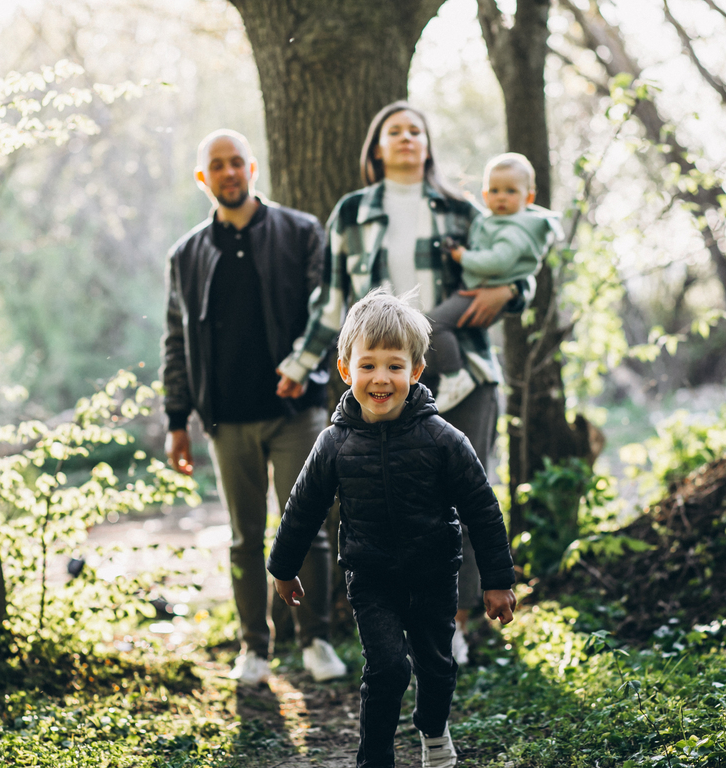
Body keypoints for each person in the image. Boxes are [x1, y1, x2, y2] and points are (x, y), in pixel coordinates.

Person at [276, 101, 519, 664]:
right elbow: (331, 303)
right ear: (377, 148)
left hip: (466, 372)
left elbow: (513, 262)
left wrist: (513, 293)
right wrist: (298, 364)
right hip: (381, 373)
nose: (407, 138)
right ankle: (386, 621)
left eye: (416, 130)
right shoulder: (353, 212)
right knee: (380, 493)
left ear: (428, 145)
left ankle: (451, 623)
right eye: (394, 131)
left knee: (460, 496)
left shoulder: (462, 209)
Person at [267, 289, 517, 768]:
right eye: (368, 366)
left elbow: (482, 510)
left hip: (433, 574)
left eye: (394, 366)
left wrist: (498, 580)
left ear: (416, 371)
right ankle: (374, 757)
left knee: (437, 668)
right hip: (371, 576)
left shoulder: (444, 439)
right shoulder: (333, 443)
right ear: (346, 370)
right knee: (386, 668)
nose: (381, 378)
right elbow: (303, 507)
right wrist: (283, 566)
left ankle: (432, 728)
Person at [160, 129, 346, 685]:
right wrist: (177, 420)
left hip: (298, 412)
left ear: (253, 168)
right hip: (225, 419)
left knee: (308, 528)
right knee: (244, 537)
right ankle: (254, 650)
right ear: (203, 178)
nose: (228, 172)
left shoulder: (300, 232)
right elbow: (175, 338)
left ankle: (314, 641)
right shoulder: (186, 254)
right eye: (216, 165)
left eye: (236, 162)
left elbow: (327, 309)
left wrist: (305, 370)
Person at [428, 152, 561, 413]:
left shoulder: (516, 229)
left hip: (488, 292)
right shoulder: (493, 221)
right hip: (479, 289)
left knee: (433, 324)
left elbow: (497, 262)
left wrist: (462, 256)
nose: (501, 197)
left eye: (510, 191)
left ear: (529, 197)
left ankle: (455, 378)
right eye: (494, 190)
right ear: (485, 195)